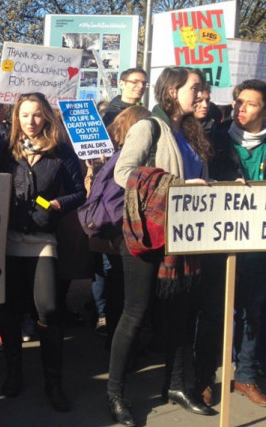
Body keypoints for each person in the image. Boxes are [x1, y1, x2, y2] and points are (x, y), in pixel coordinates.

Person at [107, 66, 215, 426]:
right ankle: (115, 394)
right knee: (135, 316)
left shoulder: (188, 131)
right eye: (195, 88)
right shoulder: (148, 127)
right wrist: (176, 186)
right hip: (147, 235)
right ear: (172, 91)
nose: (201, 94)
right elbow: (123, 173)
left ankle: (177, 386)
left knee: (181, 316)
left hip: (184, 237)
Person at [0, 92, 85, 412]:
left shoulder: (60, 152)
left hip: (43, 241)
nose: (31, 122)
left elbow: (79, 192)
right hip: (9, 241)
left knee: (49, 309)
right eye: (25, 115)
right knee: (10, 312)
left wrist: (59, 204)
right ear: (17, 118)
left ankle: (53, 382)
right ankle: (14, 372)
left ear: (46, 118)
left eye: (37, 115)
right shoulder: (5, 150)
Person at [196, 79, 266, 407]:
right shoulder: (217, 139)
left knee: (256, 309)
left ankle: (247, 375)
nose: (241, 109)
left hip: (259, 246)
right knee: (214, 309)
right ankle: (205, 374)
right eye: (238, 102)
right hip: (219, 241)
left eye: (250, 104)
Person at [88, 106, 151, 346]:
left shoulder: (120, 155)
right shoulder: (127, 159)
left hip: (117, 233)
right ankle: (121, 345)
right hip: (123, 233)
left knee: (118, 289)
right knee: (121, 293)